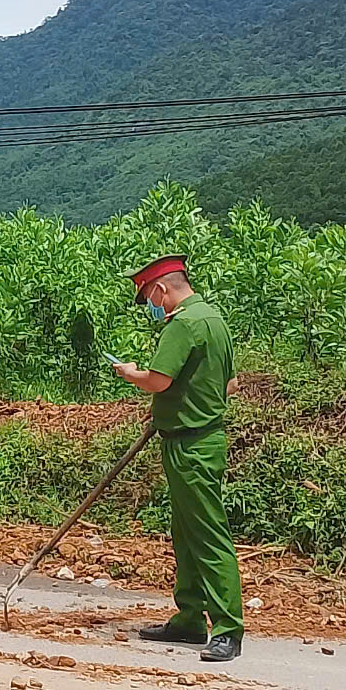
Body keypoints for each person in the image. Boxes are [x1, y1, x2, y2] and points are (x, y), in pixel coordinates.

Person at [111, 255, 244, 662]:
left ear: (161, 290)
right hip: (197, 439)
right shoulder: (214, 320)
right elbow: (232, 384)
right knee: (186, 533)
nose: (152, 305)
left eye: (150, 297)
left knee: (206, 535)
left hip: (192, 445)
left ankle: (227, 628)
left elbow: (157, 379)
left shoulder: (183, 324)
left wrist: (129, 373)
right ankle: (189, 618)